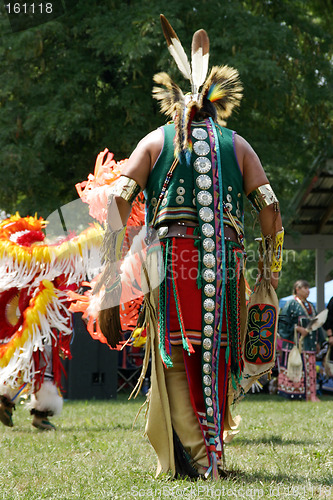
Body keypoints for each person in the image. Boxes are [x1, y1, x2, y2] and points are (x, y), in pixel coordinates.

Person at [97, 15, 283, 479]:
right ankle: (209, 455)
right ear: (214, 108)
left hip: (171, 260)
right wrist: (269, 269)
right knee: (218, 353)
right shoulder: (238, 145)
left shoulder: (155, 140)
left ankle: (200, 461)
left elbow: (118, 199)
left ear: (176, 107)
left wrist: (109, 267)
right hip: (226, 260)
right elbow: (271, 210)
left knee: (177, 356)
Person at [0, 213, 102, 430]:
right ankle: (39, 414)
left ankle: (7, 401)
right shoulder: (56, 269)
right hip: (41, 328)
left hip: (30, 326)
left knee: (25, 362)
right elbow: (64, 302)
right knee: (42, 366)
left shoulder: (29, 269)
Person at [277, 279, 327, 402]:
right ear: (297, 289)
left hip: (309, 344)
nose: (308, 291)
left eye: (308, 288)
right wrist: (297, 328)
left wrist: (319, 342)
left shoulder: (311, 306)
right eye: (305, 288)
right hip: (296, 344)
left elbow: (316, 324)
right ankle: (295, 395)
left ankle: (311, 395)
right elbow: (282, 323)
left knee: (310, 370)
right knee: (297, 368)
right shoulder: (291, 304)